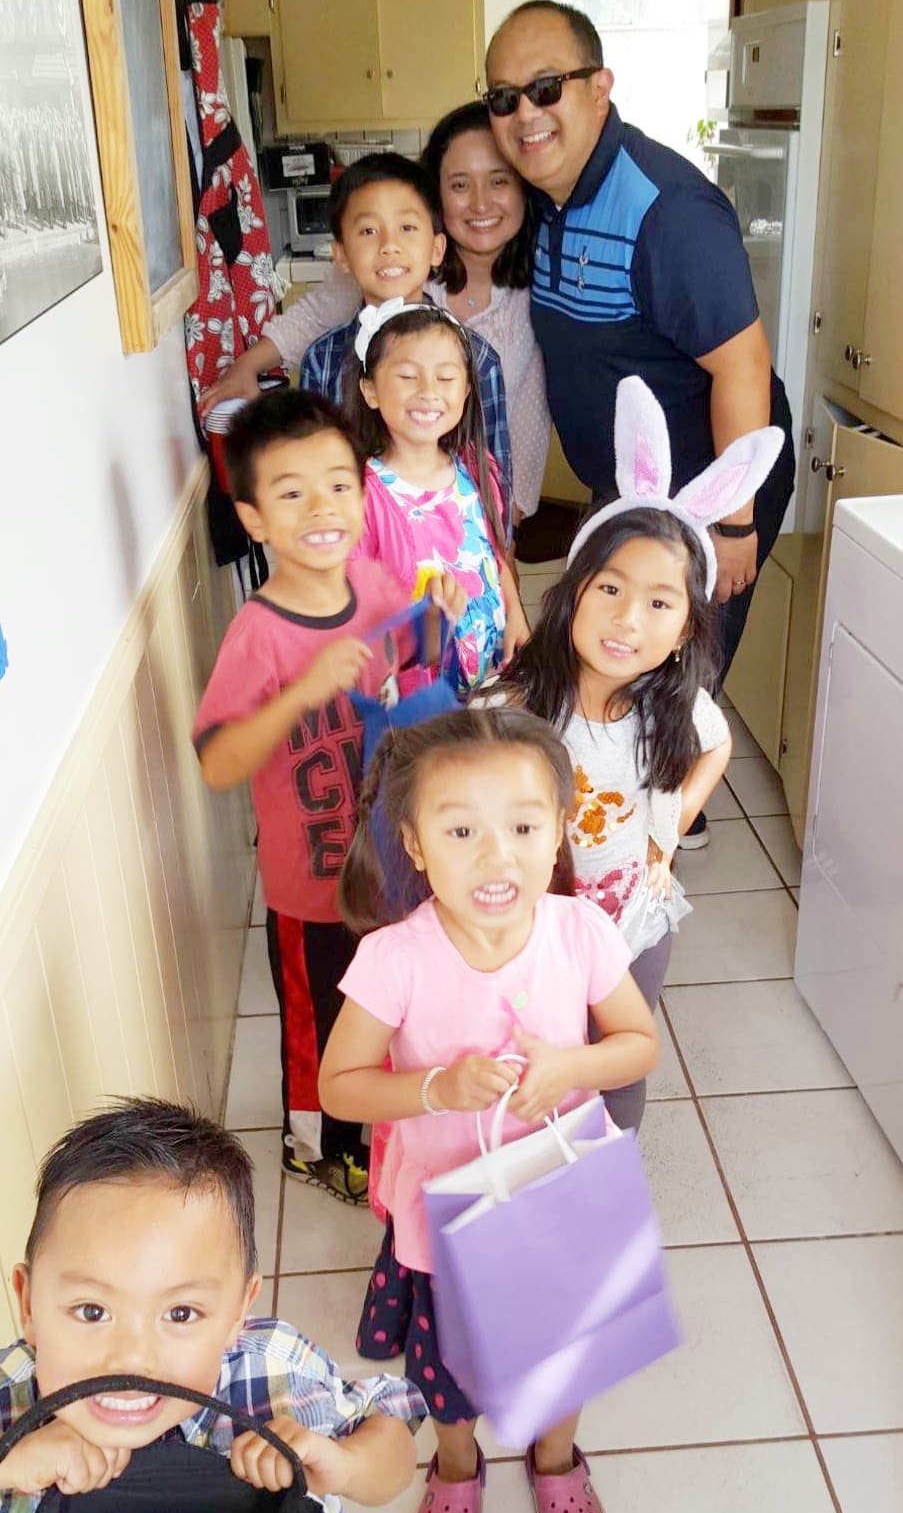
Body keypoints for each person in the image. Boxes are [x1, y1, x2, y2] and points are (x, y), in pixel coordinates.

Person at [319, 707, 659, 1513]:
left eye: (522, 827)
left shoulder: (579, 932)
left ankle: (556, 1457)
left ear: (559, 831)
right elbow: (338, 1084)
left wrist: (571, 1067)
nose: (495, 855)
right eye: (461, 830)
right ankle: (455, 1464)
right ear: (415, 843)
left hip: (559, 1199)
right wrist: (433, 1087)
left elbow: (637, 1043)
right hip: (446, 1218)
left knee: (564, 1347)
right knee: (449, 1367)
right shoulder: (395, 957)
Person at [484, 0, 796, 844]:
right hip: (630, 482)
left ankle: (649, 852)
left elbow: (741, 366)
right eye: (503, 97)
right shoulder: (545, 198)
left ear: (598, 87)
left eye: (544, 87)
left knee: (667, 679)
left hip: (706, 492)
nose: (524, 113)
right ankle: (608, 824)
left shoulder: (665, 208)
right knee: (606, 662)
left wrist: (733, 524)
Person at [483, 372, 799, 1127]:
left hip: (633, 926)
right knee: (534, 1064)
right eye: (610, 590)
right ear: (573, 592)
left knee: (619, 1059)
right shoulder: (515, 703)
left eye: (659, 603)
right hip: (533, 934)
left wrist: (668, 829)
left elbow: (716, 746)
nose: (628, 620)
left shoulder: (676, 705)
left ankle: (611, 1161)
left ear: (686, 628)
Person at [192, 388, 459, 1200]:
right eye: (291, 492)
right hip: (309, 886)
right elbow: (217, 763)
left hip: (387, 865)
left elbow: (410, 659)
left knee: (384, 1007)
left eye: (338, 485)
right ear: (252, 519)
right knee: (319, 1024)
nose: (321, 508)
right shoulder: (258, 635)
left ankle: (375, 1124)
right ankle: (313, 1147)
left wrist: (436, 621)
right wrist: (300, 693)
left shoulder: (374, 583)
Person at [0, 1098, 424, 1513]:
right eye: (92, 1311)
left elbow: (392, 1438)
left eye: (181, 1314)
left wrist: (346, 1464)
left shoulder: (276, 1371)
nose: (133, 1358)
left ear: (238, 1311)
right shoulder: (10, 1395)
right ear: (29, 1304)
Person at [199, 113, 551, 526]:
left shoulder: (484, 349)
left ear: (433, 246)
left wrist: (502, 538)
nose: (389, 246)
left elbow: (495, 476)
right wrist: (247, 365)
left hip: (450, 549)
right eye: (460, 184)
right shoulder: (324, 360)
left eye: (498, 181)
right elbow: (315, 473)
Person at [349, 299, 529, 695]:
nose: (428, 392)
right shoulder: (361, 495)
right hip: (418, 696)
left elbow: (493, 554)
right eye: (408, 376)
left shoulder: (477, 468)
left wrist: (516, 613)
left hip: (492, 676)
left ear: (466, 390)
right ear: (370, 389)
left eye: (445, 378)